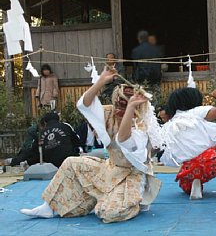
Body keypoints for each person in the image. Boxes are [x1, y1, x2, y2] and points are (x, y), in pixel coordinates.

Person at [20, 67, 161, 223]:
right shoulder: (109, 112)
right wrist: (102, 81)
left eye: (125, 107)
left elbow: (124, 140)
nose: (119, 110)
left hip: (132, 175)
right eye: (118, 106)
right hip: (111, 168)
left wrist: (130, 109)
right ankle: (49, 207)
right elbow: (85, 105)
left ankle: (134, 202)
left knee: (109, 213)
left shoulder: (141, 123)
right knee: (72, 162)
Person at [160, 87, 216, 199]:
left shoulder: (173, 121)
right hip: (208, 161)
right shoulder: (197, 111)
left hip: (188, 170)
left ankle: (194, 183)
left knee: (185, 181)